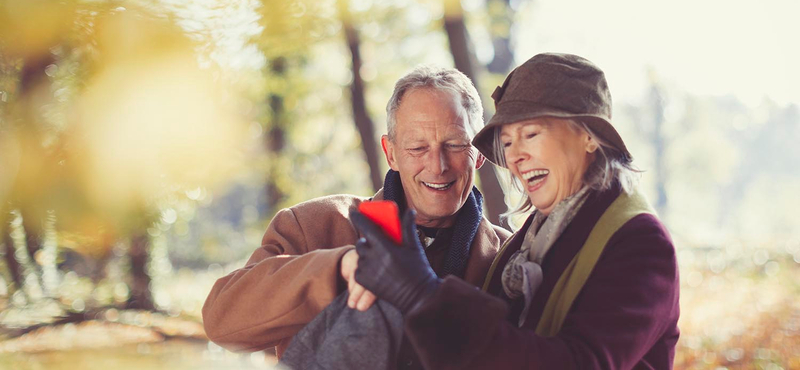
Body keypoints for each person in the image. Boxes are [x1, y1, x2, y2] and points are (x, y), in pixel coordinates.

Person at [351, 53, 681, 369]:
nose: (515, 157)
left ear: (588, 137)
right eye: (507, 142)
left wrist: (425, 296)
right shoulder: (525, 246)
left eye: (531, 135)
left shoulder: (639, 242)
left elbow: (579, 363)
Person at [202, 65, 512, 368]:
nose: (437, 165)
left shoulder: (509, 256)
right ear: (390, 153)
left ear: (480, 153)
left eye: (455, 145)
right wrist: (340, 269)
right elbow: (222, 322)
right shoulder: (314, 225)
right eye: (417, 148)